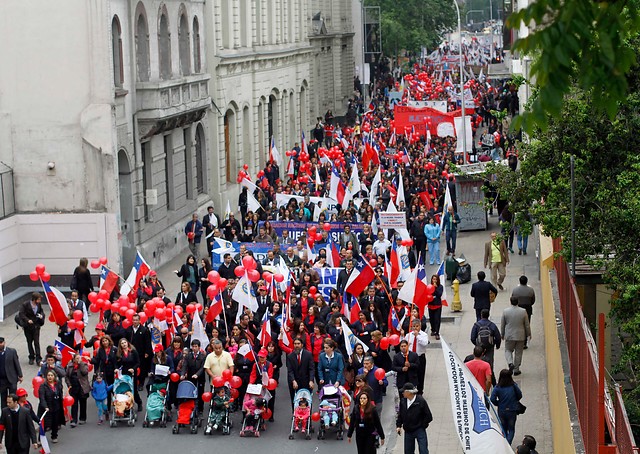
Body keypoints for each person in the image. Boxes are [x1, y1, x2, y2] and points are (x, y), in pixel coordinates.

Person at [396, 382, 433, 454]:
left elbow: (429, 416)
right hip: (408, 431)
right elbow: (400, 415)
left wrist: (422, 425)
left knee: (423, 451)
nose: (402, 393)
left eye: (403, 391)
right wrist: (398, 425)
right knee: (408, 451)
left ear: (409, 392)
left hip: (419, 430)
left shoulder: (420, 401)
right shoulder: (403, 402)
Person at [490, 369, 523, 444]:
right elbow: (520, 395)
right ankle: (508, 444)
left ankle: (505, 443)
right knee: (511, 429)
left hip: (502, 410)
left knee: (504, 428)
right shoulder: (513, 386)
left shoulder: (497, 387)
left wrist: (498, 403)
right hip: (512, 410)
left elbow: (492, 399)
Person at [501, 296, 531, 376]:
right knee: (518, 352)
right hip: (520, 335)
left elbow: (503, 324)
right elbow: (527, 325)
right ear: (518, 302)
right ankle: (516, 369)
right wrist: (528, 334)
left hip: (509, 335)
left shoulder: (505, 311)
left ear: (510, 302)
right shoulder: (523, 311)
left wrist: (502, 334)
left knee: (508, 350)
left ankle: (510, 363)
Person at [470, 308, 501, 377]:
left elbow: (472, 338)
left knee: (479, 361)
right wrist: (496, 345)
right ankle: (489, 375)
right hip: (489, 347)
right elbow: (498, 337)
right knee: (490, 363)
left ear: (481, 315)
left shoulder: (476, 325)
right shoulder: (492, 325)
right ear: (488, 315)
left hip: (480, 348)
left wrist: (477, 344)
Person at [285, 338, 315, 408]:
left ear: (302, 345)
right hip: (294, 382)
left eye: (298, 344)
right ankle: (295, 415)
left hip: (306, 381)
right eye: (295, 344)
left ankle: (308, 417)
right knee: (295, 400)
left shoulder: (308, 354)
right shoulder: (290, 356)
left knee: (307, 400)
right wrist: (293, 381)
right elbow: (290, 370)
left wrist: (311, 380)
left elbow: (311, 369)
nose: (296, 346)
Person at [126, 314, 151, 391]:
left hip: (141, 352)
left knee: (142, 368)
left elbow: (148, 342)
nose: (135, 321)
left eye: (137, 320)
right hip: (131, 353)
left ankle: (141, 383)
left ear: (140, 321)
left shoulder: (144, 330)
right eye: (134, 320)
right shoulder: (129, 330)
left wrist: (147, 352)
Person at [18, 293, 45, 366]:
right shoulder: (26, 305)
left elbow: (41, 311)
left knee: (36, 342)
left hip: (36, 326)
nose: (40, 301)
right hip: (28, 327)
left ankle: (38, 358)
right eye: (38, 299)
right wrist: (27, 320)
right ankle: (31, 356)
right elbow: (21, 313)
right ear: (34, 299)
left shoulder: (38, 305)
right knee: (29, 342)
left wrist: (41, 316)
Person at [115, 338, 142, 412]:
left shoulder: (133, 352)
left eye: (125, 343)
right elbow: (117, 364)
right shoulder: (119, 354)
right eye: (122, 343)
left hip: (132, 373)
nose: (124, 344)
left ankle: (139, 402)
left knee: (134, 389)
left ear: (127, 343)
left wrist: (133, 368)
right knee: (125, 389)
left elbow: (138, 362)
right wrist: (116, 369)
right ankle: (126, 405)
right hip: (124, 373)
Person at [38, 370, 64, 444]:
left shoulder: (58, 384)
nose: (50, 377)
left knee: (55, 422)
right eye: (48, 375)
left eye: (51, 375)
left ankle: (54, 436)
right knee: (45, 424)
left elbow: (60, 393)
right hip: (46, 408)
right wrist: (45, 406)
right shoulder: (43, 386)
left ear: (54, 376)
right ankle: (40, 438)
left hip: (56, 406)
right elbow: (42, 398)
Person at [404, 319, 429, 394]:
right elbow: (404, 344)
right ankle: (412, 389)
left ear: (420, 326)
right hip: (411, 357)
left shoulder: (424, 335)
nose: (415, 328)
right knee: (411, 374)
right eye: (413, 326)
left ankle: (420, 391)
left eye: (417, 326)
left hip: (420, 356)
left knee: (420, 374)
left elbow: (424, 343)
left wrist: (417, 336)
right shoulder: (408, 335)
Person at [65, 353, 90, 427]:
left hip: (82, 387)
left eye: (80, 358)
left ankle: (82, 418)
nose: (78, 360)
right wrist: (69, 385)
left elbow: (85, 372)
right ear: (74, 359)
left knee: (83, 403)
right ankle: (74, 420)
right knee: (74, 404)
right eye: (77, 358)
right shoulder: (70, 366)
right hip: (74, 387)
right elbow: (67, 376)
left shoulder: (84, 364)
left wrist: (81, 364)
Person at [511, 275, 536, 346]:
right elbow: (533, 301)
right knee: (526, 324)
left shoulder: (515, 290)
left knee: (518, 324)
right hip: (527, 309)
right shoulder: (531, 290)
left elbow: (513, 299)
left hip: (518, 308)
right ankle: (524, 342)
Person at [0, 338, 23, 409]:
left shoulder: (11, 351)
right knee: (3, 398)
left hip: (12, 378)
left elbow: (16, 363)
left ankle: (13, 412)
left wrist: (20, 375)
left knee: (13, 397)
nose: (0, 344)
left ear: (4, 342)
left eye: (1, 343)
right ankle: (4, 415)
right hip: (2, 380)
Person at [427, 275, 443, 339]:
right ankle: (433, 329)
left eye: (436, 279)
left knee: (437, 319)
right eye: (433, 279)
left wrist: (435, 288)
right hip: (431, 305)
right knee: (432, 319)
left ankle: (437, 332)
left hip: (437, 305)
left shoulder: (440, 287)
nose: (434, 281)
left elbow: (439, 295)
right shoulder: (429, 286)